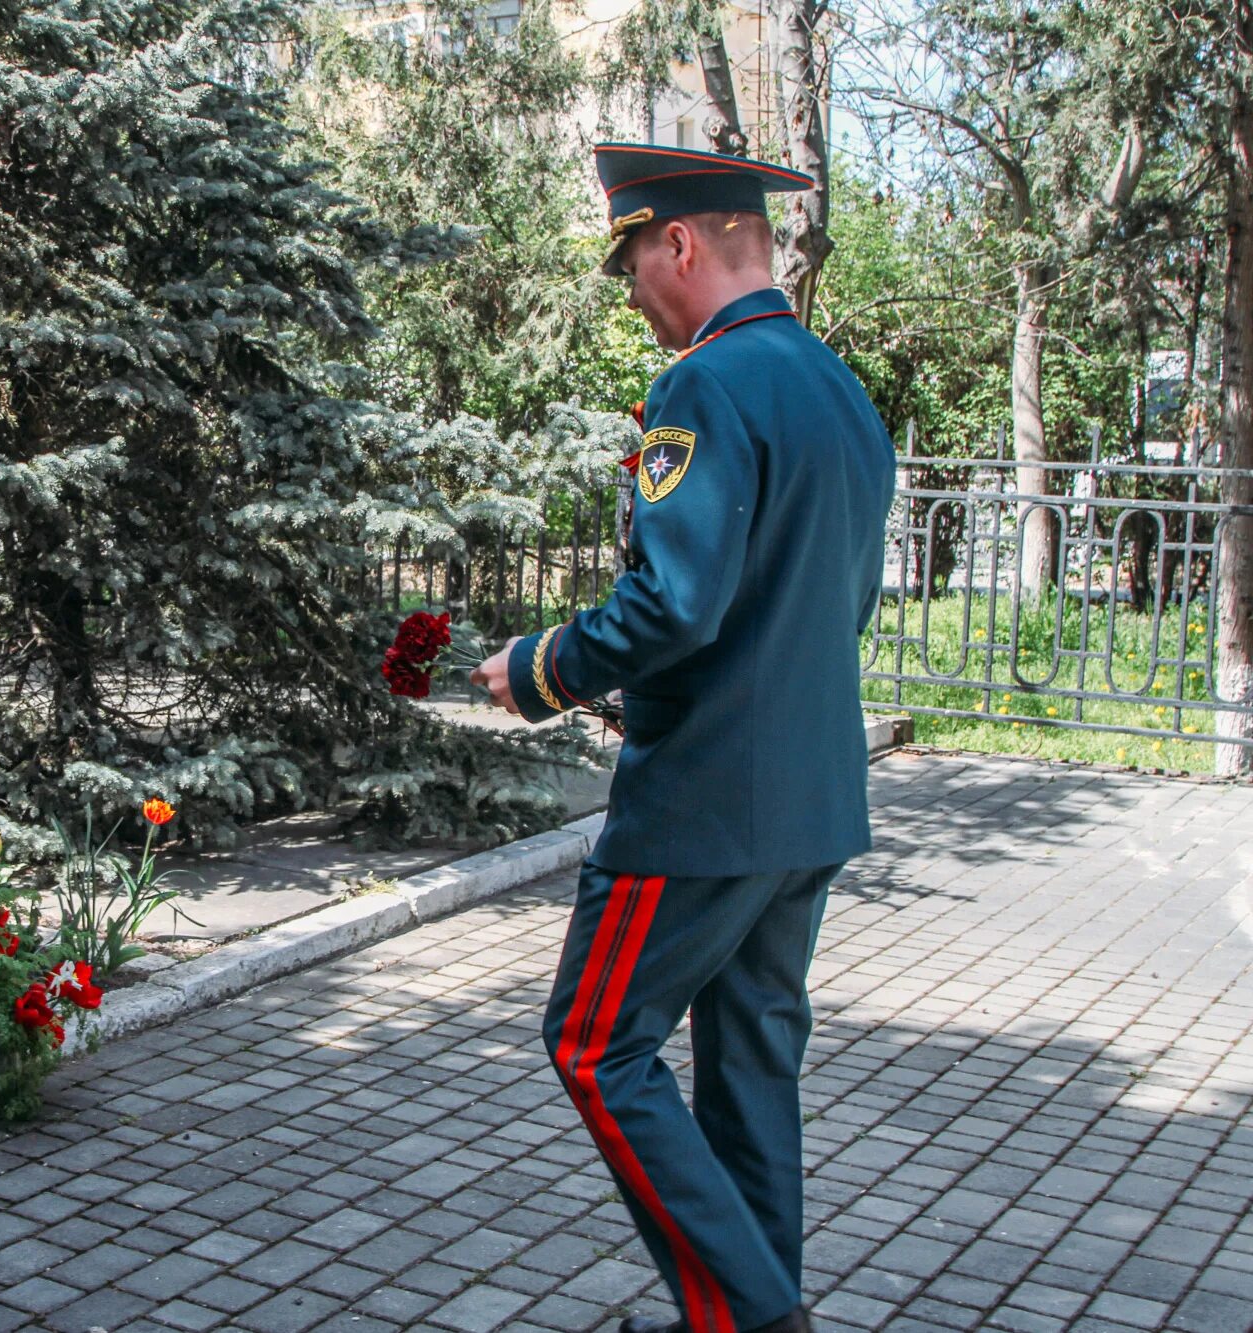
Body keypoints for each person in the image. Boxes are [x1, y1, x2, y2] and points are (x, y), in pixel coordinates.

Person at [468, 143, 896, 1333]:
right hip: (808, 792)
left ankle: (757, 1318)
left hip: (703, 799)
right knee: (750, 1068)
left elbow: (676, 603)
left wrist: (542, 666)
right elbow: (835, 599)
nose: (632, 293)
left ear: (679, 243)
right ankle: (751, 1309)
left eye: (630, 263)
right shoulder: (833, 384)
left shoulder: (704, 387)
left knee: (595, 1044)